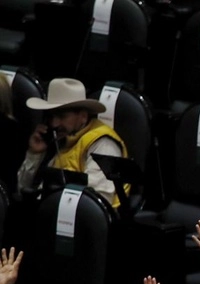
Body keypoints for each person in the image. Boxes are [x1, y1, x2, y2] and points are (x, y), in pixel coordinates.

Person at [17, 78, 126, 207]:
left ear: (83, 116)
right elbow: (22, 189)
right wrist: (35, 154)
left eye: (62, 116)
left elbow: (96, 202)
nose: (54, 123)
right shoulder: (59, 140)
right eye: (52, 116)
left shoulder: (103, 144)